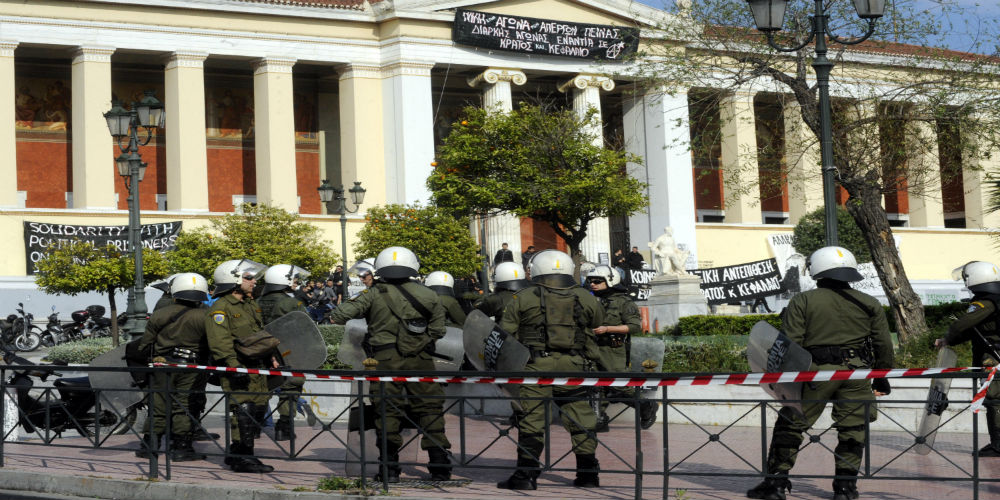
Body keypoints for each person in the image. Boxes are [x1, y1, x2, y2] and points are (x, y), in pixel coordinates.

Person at [747, 246, 893, 500]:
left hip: (815, 375)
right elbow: (883, 345)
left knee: (791, 425)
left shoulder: (803, 301)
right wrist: (881, 376)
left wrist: (783, 382)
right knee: (853, 429)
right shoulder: (869, 303)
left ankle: (776, 485)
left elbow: (790, 343)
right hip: (856, 375)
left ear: (816, 270)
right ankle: (845, 489)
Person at [329, 246, 452, 483]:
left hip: (383, 362)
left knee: (386, 411)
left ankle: (389, 468)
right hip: (421, 361)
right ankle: (439, 465)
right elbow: (439, 330)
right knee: (430, 408)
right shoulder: (429, 295)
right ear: (413, 266)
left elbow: (339, 315)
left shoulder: (373, 293)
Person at [497, 249, 604, 491]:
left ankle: (526, 475)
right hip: (574, 366)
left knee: (532, 420)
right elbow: (597, 323)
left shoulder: (522, 297)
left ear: (536, 270)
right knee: (581, 419)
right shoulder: (586, 297)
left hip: (534, 368)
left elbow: (506, 333)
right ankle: (588, 473)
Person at [205, 259, 277, 473]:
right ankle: (243, 458)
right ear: (233, 279)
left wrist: (272, 356)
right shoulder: (221, 307)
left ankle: (236, 451)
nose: (254, 281)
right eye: (248, 277)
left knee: (258, 408)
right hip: (239, 366)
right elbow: (220, 341)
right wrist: (233, 366)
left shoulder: (249, 304)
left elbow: (259, 334)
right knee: (243, 411)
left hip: (257, 365)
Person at [134, 273, 211, 462]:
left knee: (158, 405)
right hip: (191, 367)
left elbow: (145, 344)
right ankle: (181, 447)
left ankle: (149, 445)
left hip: (161, 364)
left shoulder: (160, 313)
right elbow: (215, 343)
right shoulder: (207, 315)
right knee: (182, 405)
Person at [935, 261, 1000, 456]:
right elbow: (975, 331)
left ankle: (998, 445)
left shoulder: (985, 303)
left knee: (994, 399)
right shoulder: (996, 300)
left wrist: (947, 339)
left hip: (994, 359)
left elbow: (961, 326)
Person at [585, 265, 658, 431]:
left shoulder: (624, 302)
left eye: (598, 281)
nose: (593, 284)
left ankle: (646, 407)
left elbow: (634, 327)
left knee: (619, 386)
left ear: (610, 281)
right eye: (590, 281)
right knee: (594, 384)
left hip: (613, 350)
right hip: (592, 348)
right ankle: (599, 418)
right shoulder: (589, 300)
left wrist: (607, 329)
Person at [258, 264, 309, 442]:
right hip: (286, 351)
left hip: (261, 351)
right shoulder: (291, 302)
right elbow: (305, 327)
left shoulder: (257, 301)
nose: (295, 282)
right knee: (291, 387)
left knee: (261, 388)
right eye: (293, 279)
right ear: (284, 280)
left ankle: (253, 425)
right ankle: (284, 426)